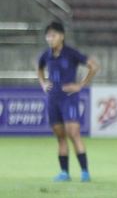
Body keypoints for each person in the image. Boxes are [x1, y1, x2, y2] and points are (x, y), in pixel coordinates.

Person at [37, 21, 100, 183]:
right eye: (48, 36)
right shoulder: (46, 55)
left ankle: (85, 172)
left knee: (73, 133)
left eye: (53, 35)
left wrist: (80, 85)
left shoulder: (71, 53)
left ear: (62, 36)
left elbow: (93, 66)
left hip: (69, 99)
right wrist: (43, 83)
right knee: (60, 137)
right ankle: (64, 172)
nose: (50, 39)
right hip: (53, 100)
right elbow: (39, 68)